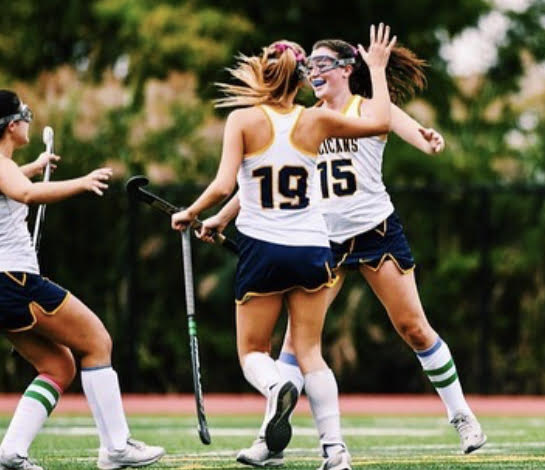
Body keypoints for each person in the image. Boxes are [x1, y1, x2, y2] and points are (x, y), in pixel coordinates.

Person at [200, 37, 487, 461]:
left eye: (323, 64)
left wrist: (425, 136)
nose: (313, 73)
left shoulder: (369, 109)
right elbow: (264, 176)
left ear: (346, 69)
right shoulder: (306, 118)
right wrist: (223, 216)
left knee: (413, 327)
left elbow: (401, 129)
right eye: (309, 66)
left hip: (375, 231)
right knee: (296, 347)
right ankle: (269, 438)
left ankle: (462, 416)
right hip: (322, 238)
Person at [172, 24, 397, 470]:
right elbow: (382, 122)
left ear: (264, 74)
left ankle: (276, 389)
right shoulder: (315, 119)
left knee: (253, 352)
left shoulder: (242, 119)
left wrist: (190, 213)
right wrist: (376, 70)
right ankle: (335, 452)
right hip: (314, 249)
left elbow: (222, 183)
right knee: (311, 354)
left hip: (263, 249)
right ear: (300, 80)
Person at [0, 89, 165, 470]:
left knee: (59, 367)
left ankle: (10, 452)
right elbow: (24, 193)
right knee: (98, 340)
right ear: (10, 126)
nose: (27, 120)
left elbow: (9, 184)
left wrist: (34, 165)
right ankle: (117, 447)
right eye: (22, 114)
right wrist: (81, 182)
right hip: (11, 280)